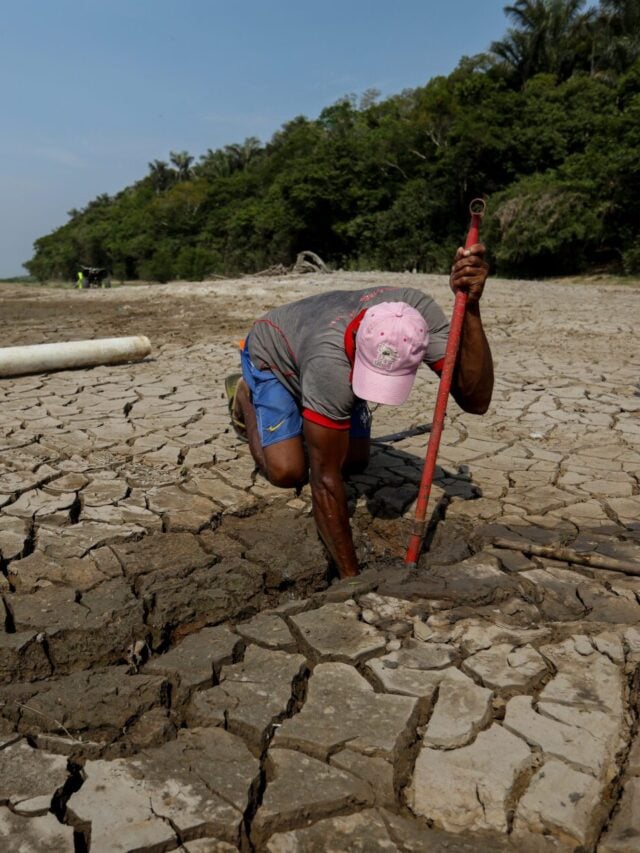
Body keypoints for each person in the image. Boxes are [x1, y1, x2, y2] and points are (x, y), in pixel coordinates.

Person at [226, 243, 493, 579]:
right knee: (287, 472)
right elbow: (322, 480)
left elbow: (476, 400)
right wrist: (351, 579)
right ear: (357, 350)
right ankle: (245, 394)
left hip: (320, 355)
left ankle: (311, 413)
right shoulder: (330, 365)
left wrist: (471, 307)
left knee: (355, 461)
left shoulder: (415, 318)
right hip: (274, 352)